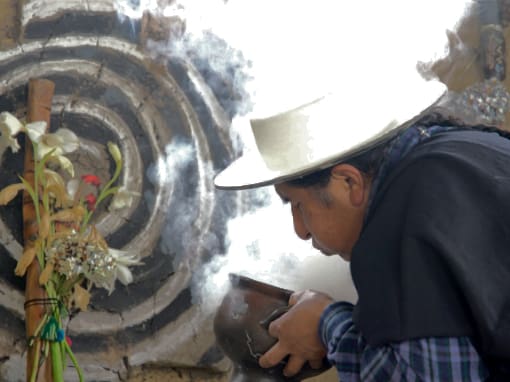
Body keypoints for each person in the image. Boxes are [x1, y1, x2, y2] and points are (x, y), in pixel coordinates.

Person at [213, 2, 510, 381]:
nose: (300, 230)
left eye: (297, 205)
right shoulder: (467, 150)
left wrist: (328, 325)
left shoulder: (401, 221)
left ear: (349, 182)